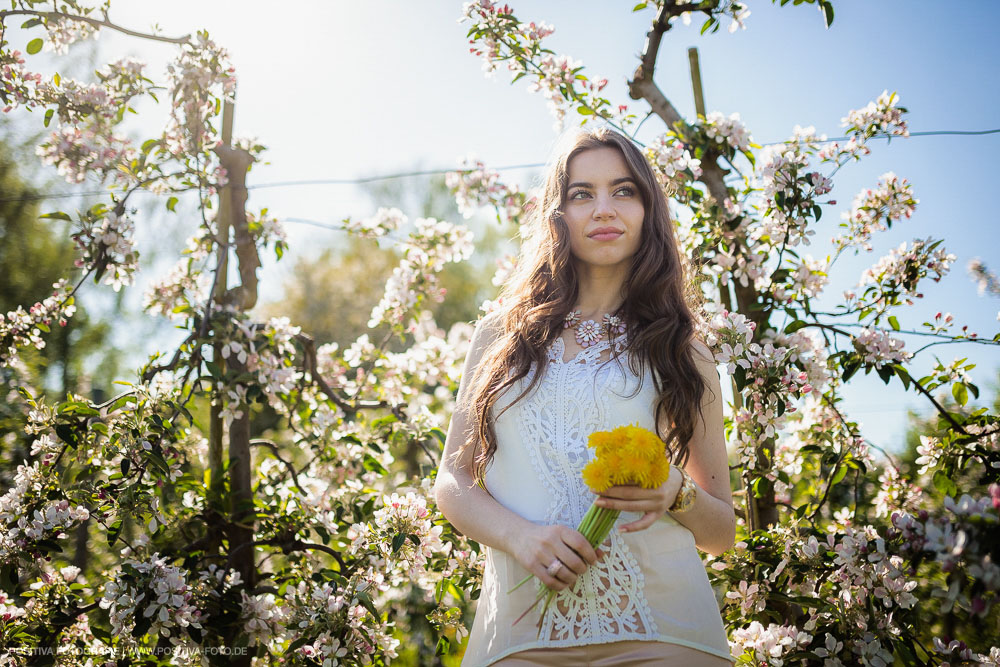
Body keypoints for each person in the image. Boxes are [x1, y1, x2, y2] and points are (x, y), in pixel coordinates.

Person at [434, 126, 736, 666]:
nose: (603, 209)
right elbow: (453, 483)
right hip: (522, 638)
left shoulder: (683, 350)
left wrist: (675, 492)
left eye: (624, 191)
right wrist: (521, 538)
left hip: (661, 633)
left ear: (648, 212)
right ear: (558, 214)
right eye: (582, 194)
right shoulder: (501, 337)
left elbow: (722, 534)